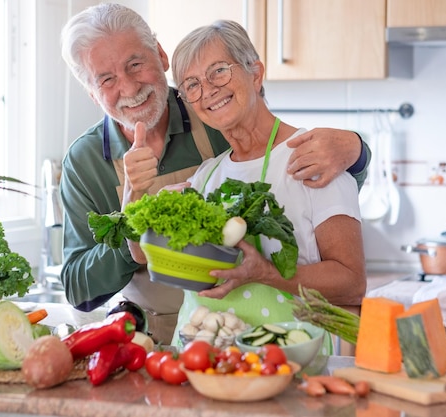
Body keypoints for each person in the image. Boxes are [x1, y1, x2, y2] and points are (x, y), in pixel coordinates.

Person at [59, 3, 370, 344]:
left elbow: (314, 190)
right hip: (162, 336)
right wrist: (135, 208)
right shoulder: (86, 162)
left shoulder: (220, 118)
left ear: (160, 56)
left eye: (136, 64)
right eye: (107, 79)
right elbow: (82, 286)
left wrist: (356, 150)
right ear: (92, 93)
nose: (130, 88)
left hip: (273, 340)